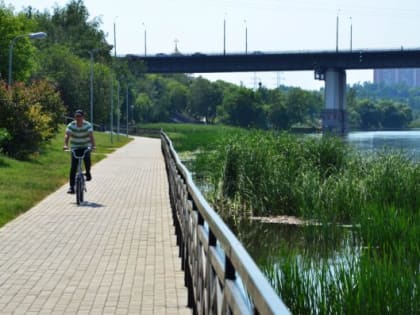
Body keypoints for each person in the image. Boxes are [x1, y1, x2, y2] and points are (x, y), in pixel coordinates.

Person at [63, 109, 96, 194]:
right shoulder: (71, 125)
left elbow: (91, 136)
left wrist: (93, 145)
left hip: (85, 146)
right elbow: (67, 135)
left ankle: (88, 173)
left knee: (87, 158)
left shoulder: (87, 125)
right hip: (75, 147)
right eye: (76, 117)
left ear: (83, 117)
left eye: (79, 116)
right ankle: (71, 187)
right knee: (73, 166)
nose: (78, 118)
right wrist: (65, 145)